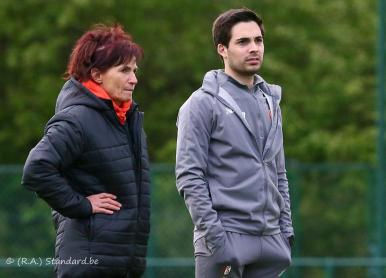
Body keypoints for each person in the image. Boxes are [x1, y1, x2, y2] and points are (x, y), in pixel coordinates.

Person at [22, 24, 151, 278]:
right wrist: (82, 205)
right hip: (87, 264)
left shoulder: (128, 119)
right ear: (97, 74)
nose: (134, 79)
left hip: (123, 264)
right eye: (124, 70)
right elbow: (36, 169)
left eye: (134, 71)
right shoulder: (77, 119)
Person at [176, 8, 294, 277]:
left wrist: (285, 232)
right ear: (222, 49)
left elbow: (279, 173)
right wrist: (217, 239)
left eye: (258, 40)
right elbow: (189, 176)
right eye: (243, 42)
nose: (254, 48)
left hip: (272, 241)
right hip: (226, 238)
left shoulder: (271, 102)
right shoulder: (201, 104)